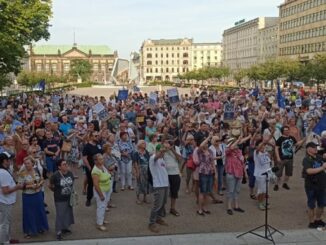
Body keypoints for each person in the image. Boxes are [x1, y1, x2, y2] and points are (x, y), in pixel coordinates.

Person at [18, 156, 49, 238]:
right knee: (28, 214)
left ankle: (39, 227)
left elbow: (42, 179)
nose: (26, 165)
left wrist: (39, 184)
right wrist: (31, 186)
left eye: (28, 163)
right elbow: (20, 186)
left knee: (39, 211)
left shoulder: (37, 170)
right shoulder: (22, 173)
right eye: (25, 164)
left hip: (38, 195)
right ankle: (28, 231)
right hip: (27, 196)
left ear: (33, 163)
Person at [0, 152, 23, 245]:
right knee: (5, 223)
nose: (11, 161)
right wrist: (18, 187)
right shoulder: (3, 173)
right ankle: (4, 241)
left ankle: (7, 239)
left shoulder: (4, 170)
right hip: (5, 201)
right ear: (4, 161)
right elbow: (5, 191)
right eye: (9, 159)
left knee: (7, 221)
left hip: (6, 201)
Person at [302, 142, 326, 229]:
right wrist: (322, 168)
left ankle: (318, 219)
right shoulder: (306, 159)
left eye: (316, 147)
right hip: (311, 186)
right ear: (308, 149)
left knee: (322, 204)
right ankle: (311, 222)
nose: (316, 148)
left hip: (321, 185)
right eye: (313, 147)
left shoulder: (319, 157)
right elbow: (309, 171)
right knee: (311, 204)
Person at [49, 159, 75, 240]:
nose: (66, 165)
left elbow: (72, 182)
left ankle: (65, 228)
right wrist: (56, 191)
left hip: (68, 197)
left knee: (67, 213)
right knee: (60, 215)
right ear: (59, 167)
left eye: (66, 164)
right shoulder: (55, 175)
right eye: (64, 164)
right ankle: (58, 232)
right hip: (59, 198)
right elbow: (50, 185)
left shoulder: (70, 173)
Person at [274, 125, 304, 191]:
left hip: (290, 158)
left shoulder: (292, 138)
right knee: (279, 174)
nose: (287, 131)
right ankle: (276, 184)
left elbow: (297, 144)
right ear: (282, 131)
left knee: (288, 173)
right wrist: (278, 157)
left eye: (288, 130)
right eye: (285, 130)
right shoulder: (280, 139)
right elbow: (276, 148)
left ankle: (285, 184)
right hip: (281, 159)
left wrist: (304, 140)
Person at [194, 134, 217, 215]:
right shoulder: (199, 151)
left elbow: (212, 161)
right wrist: (208, 137)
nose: (206, 144)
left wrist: (215, 171)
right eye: (205, 143)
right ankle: (199, 209)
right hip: (203, 172)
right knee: (202, 191)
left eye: (207, 143)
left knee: (207, 191)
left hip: (210, 173)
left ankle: (205, 207)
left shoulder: (210, 151)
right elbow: (201, 145)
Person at [148, 144, 169, 233]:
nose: (163, 153)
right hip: (158, 185)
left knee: (163, 203)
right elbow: (157, 156)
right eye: (161, 151)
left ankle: (158, 218)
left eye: (164, 151)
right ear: (157, 151)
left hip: (165, 184)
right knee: (157, 205)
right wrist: (162, 150)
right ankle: (151, 223)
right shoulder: (153, 158)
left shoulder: (162, 159)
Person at [162, 138, 183, 216]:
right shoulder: (161, 148)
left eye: (170, 142)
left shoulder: (176, 148)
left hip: (175, 172)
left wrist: (172, 150)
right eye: (166, 142)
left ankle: (172, 208)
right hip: (164, 173)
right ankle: (162, 208)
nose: (168, 144)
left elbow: (180, 160)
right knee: (163, 192)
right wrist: (164, 150)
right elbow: (158, 158)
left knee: (174, 191)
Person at [92, 153, 111, 231]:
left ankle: (101, 220)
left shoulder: (102, 166)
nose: (102, 160)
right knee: (101, 207)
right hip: (100, 190)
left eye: (102, 159)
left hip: (106, 189)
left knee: (104, 206)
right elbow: (96, 185)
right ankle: (99, 224)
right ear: (95, 161)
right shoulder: (95, 171)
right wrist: (101, 195)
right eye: (100, 159)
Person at [82, 131, 103, 207]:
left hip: (100, 167)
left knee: (100, 182)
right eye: (95, 136)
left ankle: (101, 196)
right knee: (91, 184)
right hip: (91, 168)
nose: (97, 137)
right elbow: (84, 158)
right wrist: (89, 168)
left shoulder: (99, 145)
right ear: (91, 137)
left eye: (98, 135)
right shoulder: (87, 146)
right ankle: (88, 199)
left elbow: (102, 154)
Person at [254, 141, 272, 210]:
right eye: (261, 146)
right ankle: (260, 203)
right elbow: (258, 148)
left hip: (267, 174)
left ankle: (263, 201)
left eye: (263, 146)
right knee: (261, 190)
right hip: (260, 174)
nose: (262, 147)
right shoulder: (256, 153)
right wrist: (264, 141)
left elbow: (268, 162)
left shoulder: (266, 153)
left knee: (265, 190)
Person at [133, 140, 151, 204]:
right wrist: (137, 172)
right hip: (140, 169)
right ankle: (137, 198)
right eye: (143, 143)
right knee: (139, 184)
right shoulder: (136, 153)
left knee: (146, 184)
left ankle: (145, 198)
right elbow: (135, 163)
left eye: (145, 143)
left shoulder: (147, 152)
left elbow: (149, 161)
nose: (145, 144)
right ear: (139, 145)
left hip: (147, 169)